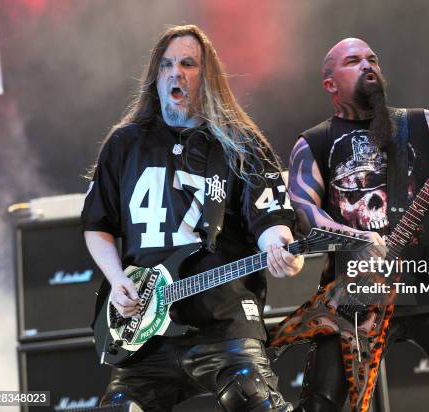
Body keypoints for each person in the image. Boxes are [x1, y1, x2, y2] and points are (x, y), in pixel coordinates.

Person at [81, 24, 303, 412]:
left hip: (223, 320)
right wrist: (117, 281)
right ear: (156, 76)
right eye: (166, 65)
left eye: (187, 64)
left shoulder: (240, 142)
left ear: (207, 77)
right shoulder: (124, 143)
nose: (175, 73)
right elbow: (97, 224)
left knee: (252, 398)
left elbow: (270, 217)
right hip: (145, 331)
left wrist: (279, 246)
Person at [287, 38, 429, 411]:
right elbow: (305, 217)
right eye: (353, 60)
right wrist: (357, 237)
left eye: (372, 58)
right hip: (356, 297)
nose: (367, 64)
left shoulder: (422, 123)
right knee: (317, 406)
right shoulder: (313, 144)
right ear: (330, 83)